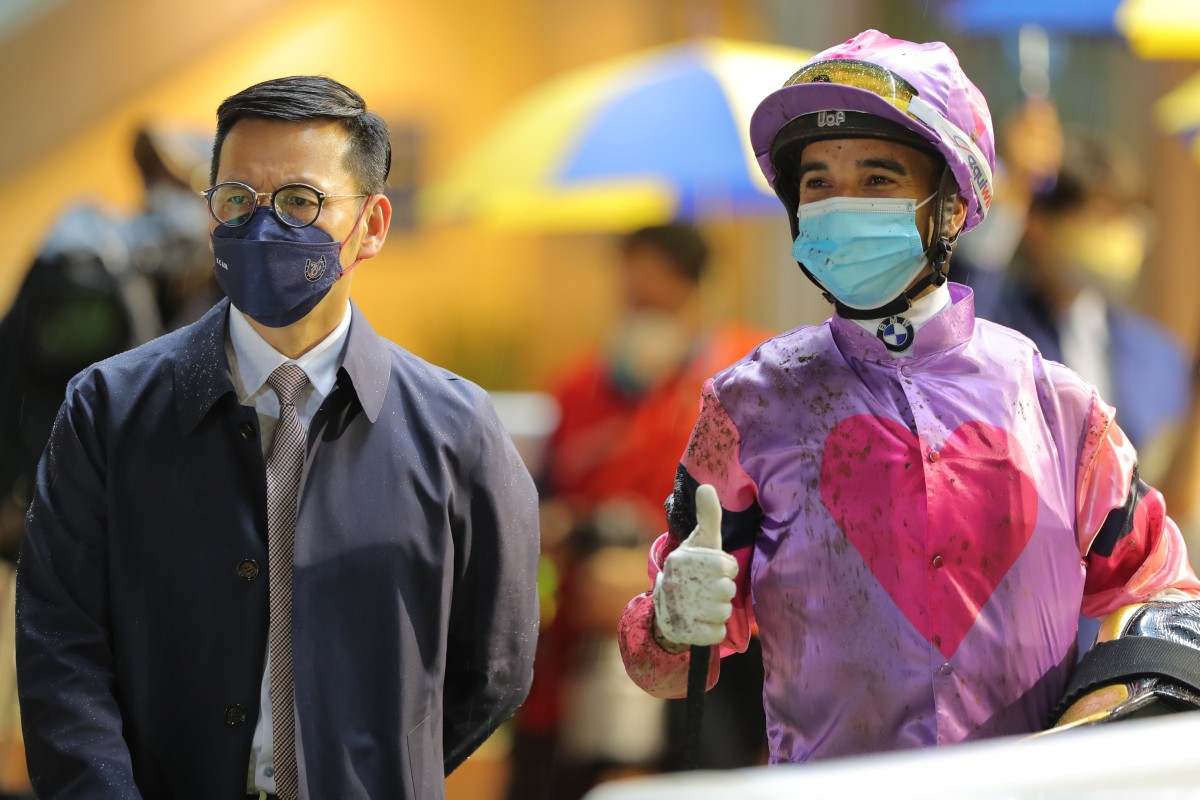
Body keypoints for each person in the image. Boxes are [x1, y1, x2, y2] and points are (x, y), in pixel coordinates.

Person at [616, 30, 1200, 765]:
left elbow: (1169, 598)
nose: (840, 206)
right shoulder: (744, 409)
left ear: (952, 207)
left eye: (878, 180)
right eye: (818, 183)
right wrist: (671, 624)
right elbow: (658, 668)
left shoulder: (1060, 408)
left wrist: (1100, 711)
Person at [15, 76, 540, 799]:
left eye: (301, 201)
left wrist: (370, 768)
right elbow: (59, 651)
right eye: (237, 201)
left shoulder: (457, 431)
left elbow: (494, 668)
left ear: (374, 224)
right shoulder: (106, 411)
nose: (264, 228)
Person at [506, 224, 767, 800]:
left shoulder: (748, 381)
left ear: (700, 292)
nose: (642, 311)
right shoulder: (578, 392)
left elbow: (772, 523)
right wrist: (572, 542)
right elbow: (542, 509)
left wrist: (652, 574)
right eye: (633, 295)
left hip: (711, 656)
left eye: (659, 296)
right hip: (583, 652)